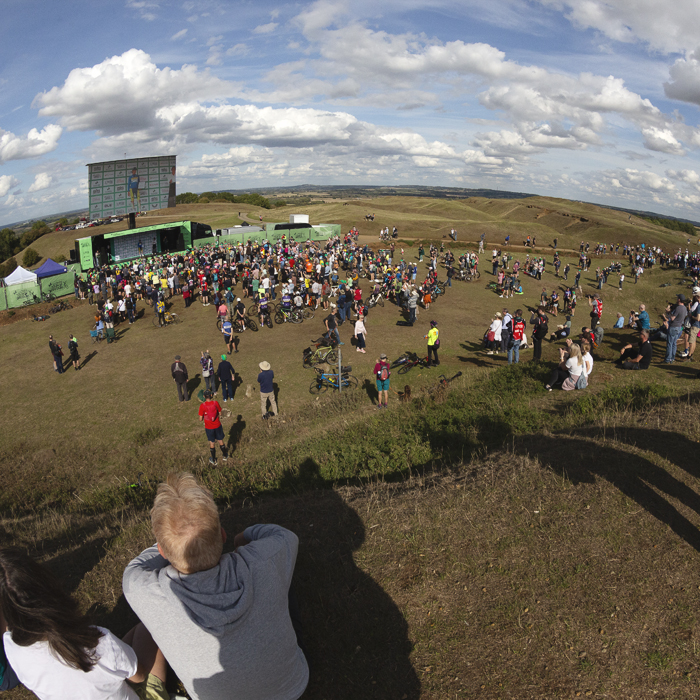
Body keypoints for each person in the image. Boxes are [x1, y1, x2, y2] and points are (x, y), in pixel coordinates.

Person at [122, 473, 309, 700]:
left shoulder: (141, 589)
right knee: (281, 576)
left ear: (162, 552)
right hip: (291, 688)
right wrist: (243, 538)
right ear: (222, 535)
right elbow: (282, 535)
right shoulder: (266, 559)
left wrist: (172, 543)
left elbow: (138, 566)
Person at [1, 546, 168, 700]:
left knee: (134, 638)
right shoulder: (97, 640)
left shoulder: (11, 647)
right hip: (120, 674)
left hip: (99, 669)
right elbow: (139, 676)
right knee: (151, 627)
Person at [198, 390, 228, 466]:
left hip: (209, 427)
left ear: (204, 396)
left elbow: (200, 419)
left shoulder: (202, 406)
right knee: (220, 440)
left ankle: (214, 460)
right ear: (211, 395)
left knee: (212, 443)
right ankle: (225, 456)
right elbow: (220, 413)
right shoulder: (215, 403)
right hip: (217, 425)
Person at [663, 293, 687, 364]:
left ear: (679, 299)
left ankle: (667, 359)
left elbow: (673, 318)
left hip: (673, 327)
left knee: (670, 343)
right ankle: (672, 358)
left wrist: (669, 313)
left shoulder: (678, 308)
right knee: (674, 344)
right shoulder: (684, 308)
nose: (676, 299)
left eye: (677, 298)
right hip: (679, 327)